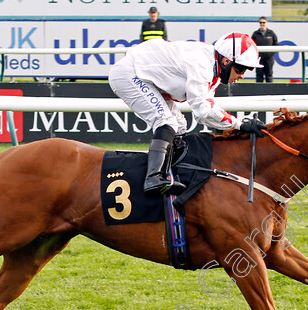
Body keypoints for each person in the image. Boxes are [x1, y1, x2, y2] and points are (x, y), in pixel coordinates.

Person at [109, 32, 266, 195]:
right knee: (165, 121)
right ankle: (153, 178)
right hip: (130, 74)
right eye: (240, 68)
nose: (242, 75)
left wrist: (235, 127)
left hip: (146, 76)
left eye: (247, 70)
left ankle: (173, 174)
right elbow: (203, 110)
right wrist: (239, 125)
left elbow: (203, 114)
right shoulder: (202, 65)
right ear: (226, 61)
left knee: (180, 126)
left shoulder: (214, 69)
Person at [251, 16, 278, 82]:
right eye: (261, 22)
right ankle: (258, 91)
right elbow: (251, 45)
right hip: (259, 59)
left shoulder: (271, 33)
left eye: (263, 22)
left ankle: (269, 91)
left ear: (266, 22)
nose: (262, 24)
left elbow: (276, 44)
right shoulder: (255, 34)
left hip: (269, 59)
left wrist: (271, 54)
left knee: (269, 75)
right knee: (259, 76)